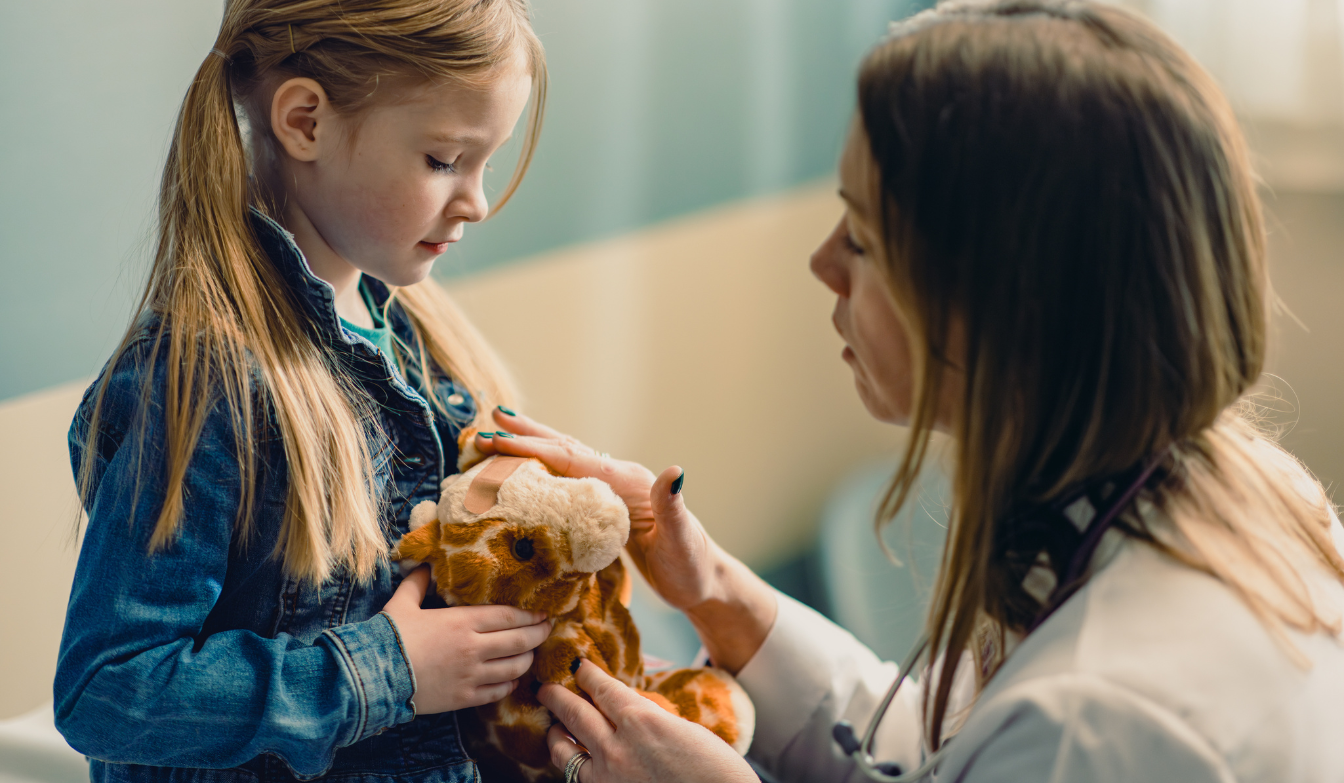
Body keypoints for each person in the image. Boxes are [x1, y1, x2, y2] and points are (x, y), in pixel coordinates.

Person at [476, 1, 1344, 780]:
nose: (822, 264)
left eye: (862, 238)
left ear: (988, 307)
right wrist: (713, 588)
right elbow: (940, 759)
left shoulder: (1098, 724)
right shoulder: (1236, 501)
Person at [54, 1, 555, 780]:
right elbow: (108, 690)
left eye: (487, 163)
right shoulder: (204, 382)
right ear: (306, 122)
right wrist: (386, 667)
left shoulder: (419, 335)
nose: (478, 202)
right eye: (445, 160)